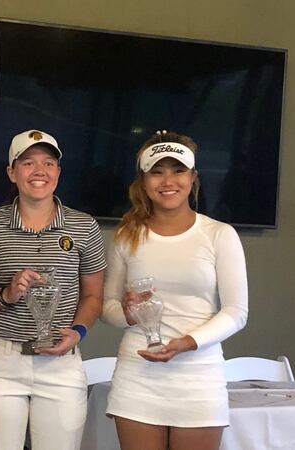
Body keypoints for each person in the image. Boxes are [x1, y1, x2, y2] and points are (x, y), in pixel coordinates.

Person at [101, 130, 249, 450]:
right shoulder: (127, 235)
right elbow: (108, 308)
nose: (168, 181)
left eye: (178, 170)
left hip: (199, 377)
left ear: (193, 177)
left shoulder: (219, 235)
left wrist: (186, 343)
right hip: (138, 375)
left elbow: (236, 313)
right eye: (157, 171)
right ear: (143, 180)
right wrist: (127, 313)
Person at [0, 129, 107, 450]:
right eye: (28, 163)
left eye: (48, 163)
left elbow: (93, 296)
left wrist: (78, 332)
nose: (39, 171)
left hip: (62, 361)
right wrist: (5, 294)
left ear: (58, 171)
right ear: (11, 172)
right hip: (0, 361)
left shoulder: (84, 226)